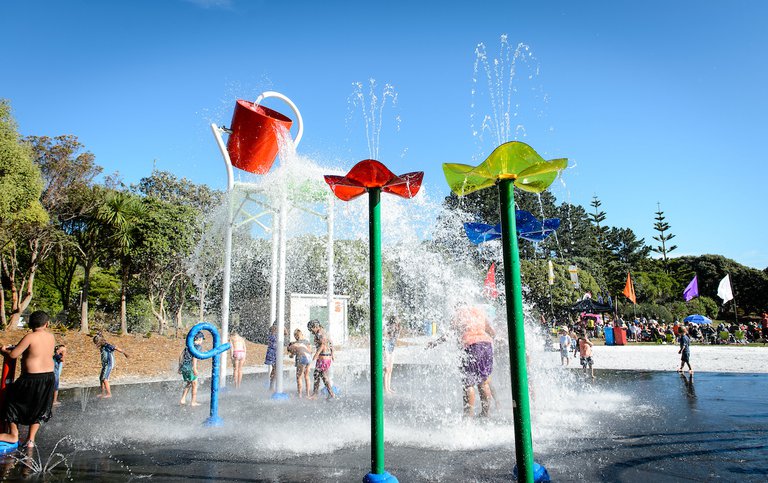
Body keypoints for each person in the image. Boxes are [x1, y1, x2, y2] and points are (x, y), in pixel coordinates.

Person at [428, 302, 495, 418]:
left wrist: (435, 343)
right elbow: (492, 332)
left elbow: (448, 334)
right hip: (486, 345)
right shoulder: (479, 311)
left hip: (471, 346)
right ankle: (485, 413)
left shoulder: (459, 314)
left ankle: (468, 417)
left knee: (468, 383)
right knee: (483, 382)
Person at [0, 311, 57, 448]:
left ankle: (13, 435)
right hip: (48, 377)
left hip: (31, 378)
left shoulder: (30, 337)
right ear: (46, 324)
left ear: (30, 324)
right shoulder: (51, 337)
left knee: (11, 401)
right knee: (39, 406)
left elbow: (13, 355)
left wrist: (4, 350)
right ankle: (31, 439)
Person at [307, 319, 335, 400]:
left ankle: (330, 393)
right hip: (326, 357)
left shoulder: (319, 333)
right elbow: (330, 342)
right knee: (317, 374)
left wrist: (316, 354)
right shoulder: (324, 332)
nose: (310, 331)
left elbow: (322, 345)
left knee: (322, 375)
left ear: (315, 326)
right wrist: (332, 354)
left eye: (311, 329)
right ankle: (316, 393)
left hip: (323, 357)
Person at [287, 329, 312, 398]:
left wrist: (291, 354)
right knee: (307, 376)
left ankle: (300, 395)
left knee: (299, 377)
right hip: (309, 358)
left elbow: (293, 354)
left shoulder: (294, 343)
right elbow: (310, 351)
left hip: (301, 358)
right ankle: (307, 394)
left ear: (296, 336)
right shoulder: (307, 342)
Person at [383, 315, 401, 395]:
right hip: (386, 348)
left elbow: (396, 339)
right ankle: (386, 389)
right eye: (394, 323)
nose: (395, 325)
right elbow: (384, 337)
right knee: (387, 369)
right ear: (391, 323)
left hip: (392, 348)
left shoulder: (398, 329)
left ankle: (389, 388)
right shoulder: (387, 328)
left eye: (397, 324)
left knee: (390, 369)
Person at [264, 324, 278, 391]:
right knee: (275, 369)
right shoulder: (272, 335)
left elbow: (286, 333)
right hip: (273, 353)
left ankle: (272, 385)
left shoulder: (274, 335)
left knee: (275, 369)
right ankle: (271, 385)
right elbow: (285, 333)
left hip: (274, 352)